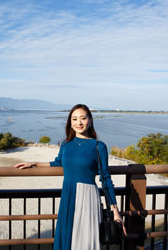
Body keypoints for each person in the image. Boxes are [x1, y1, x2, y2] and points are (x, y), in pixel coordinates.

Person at [14, 104, 127, 250]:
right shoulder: (66, 145)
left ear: (90, 121)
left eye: (83, 118)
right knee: (67, 239)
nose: (79, 122)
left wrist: (115, 211)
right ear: (70, 123)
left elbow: (105, 178)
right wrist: (34, 163)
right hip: (68, 195)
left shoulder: (99, 146)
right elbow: (58, 163)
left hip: (88, 197)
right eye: (74, 119)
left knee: (86, 240)